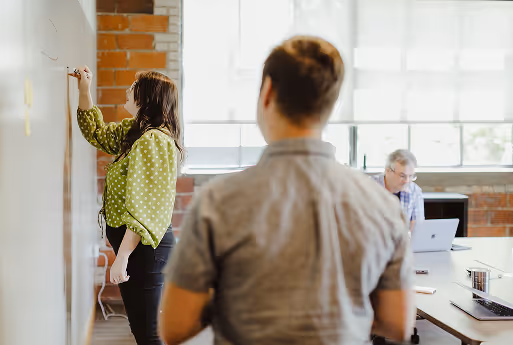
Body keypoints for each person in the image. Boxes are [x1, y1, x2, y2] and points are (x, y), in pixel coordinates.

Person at [159, 36, 415, 345]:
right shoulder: (383, 206)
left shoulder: (218, 200)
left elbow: (175, 326)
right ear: (330, 104)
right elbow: (399, 323)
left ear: (267, 92)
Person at [73, 66, 182, 344]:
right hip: (136, 247)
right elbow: (96, 132)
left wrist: (121, 257)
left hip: (143, 249)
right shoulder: (135, 131)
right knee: (142, 329)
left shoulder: (153, 140)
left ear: (147, 98)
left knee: (148, 333)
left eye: (134, 85)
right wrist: (84, 90)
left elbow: (143, 206)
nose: (127, 89)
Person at [371, 149, 424, 232]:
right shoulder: (368, 188)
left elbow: (418, 228)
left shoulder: (415, 191)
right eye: (402, 176)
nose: (407, 181)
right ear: (388, 171)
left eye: (411, 176)